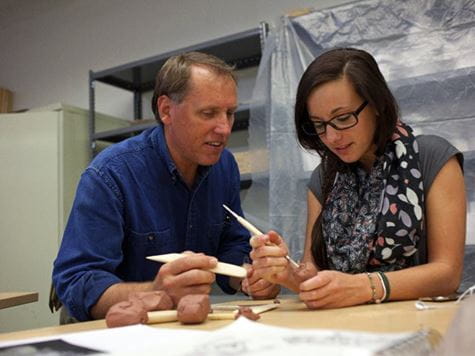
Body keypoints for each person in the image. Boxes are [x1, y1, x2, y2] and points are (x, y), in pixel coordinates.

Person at [52, 52, 279, 321]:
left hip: (175, 328)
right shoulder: (111, 173)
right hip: (108, 330)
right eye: (208, 113)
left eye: (229, 113)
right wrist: (156, 291)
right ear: (166, 110)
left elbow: (230, 245)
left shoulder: (224, 166)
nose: (224, 128)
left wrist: (250, 275)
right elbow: (77, 282)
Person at [249, 48, 466, 309]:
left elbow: (447, 274)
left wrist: (365, 286)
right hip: (346, 330)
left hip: (420, 324)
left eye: (343, 118)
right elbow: (314, 276)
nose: (331, 137)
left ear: (375, 104)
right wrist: (286, 272)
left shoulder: (432, 159)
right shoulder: (323, 180)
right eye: (319, 124)